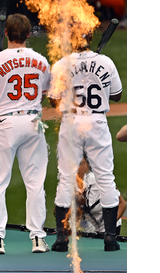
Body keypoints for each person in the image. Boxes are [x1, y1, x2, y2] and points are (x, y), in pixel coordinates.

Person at [0, 14, 52, 254]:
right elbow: (44, 94)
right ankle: (38, 238)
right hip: (33, 121)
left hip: (5, 124)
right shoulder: (41, 60)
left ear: (6, 33)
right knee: (35, 183)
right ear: (29, 34)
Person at [48, 29, 123, 252]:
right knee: (105, 177)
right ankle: (110, 238)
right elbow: (117, 94)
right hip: (97, 123)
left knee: (66, 177)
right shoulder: (106, 62)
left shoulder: (62, 64)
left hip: (71, 122)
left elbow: (53, 100)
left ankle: (61, 239)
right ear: (90, 38)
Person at [76, 157, 127, 235]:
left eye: (80, 164)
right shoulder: (71, 183)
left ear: (88, 165)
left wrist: (109, 225)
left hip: (107, 229)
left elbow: (122, 204)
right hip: (88, 229)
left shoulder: (100, 182)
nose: (77, 167)